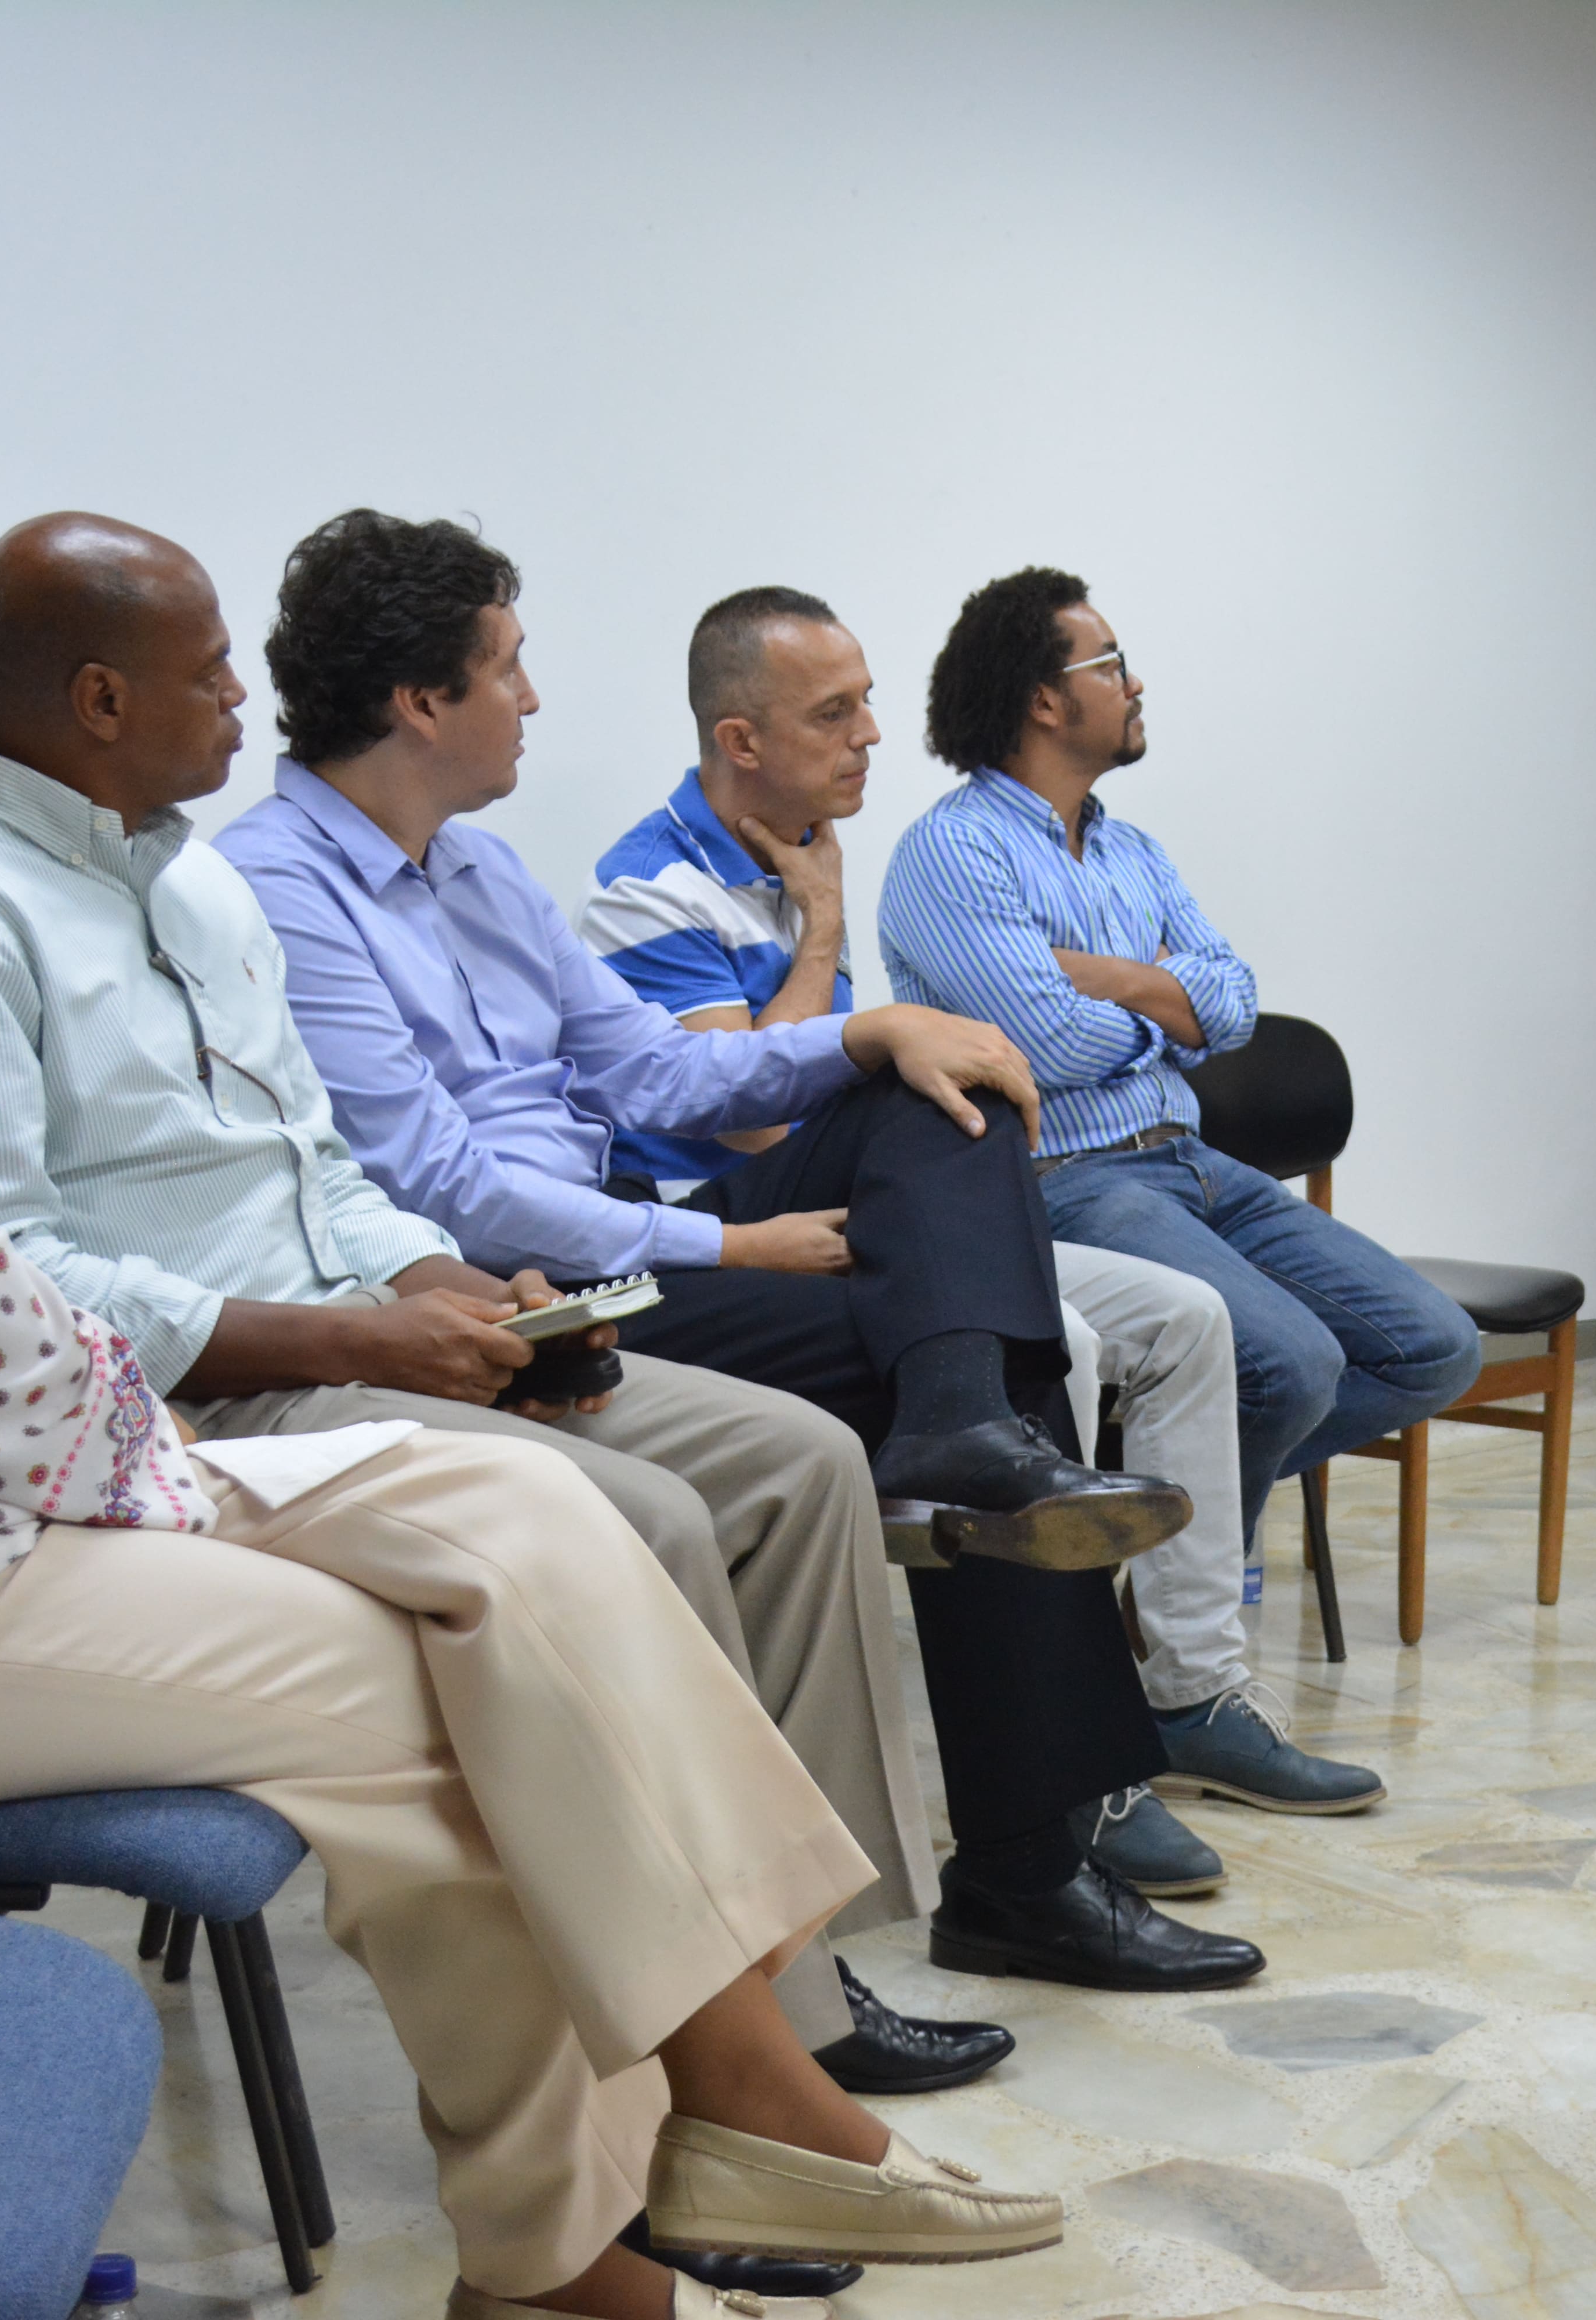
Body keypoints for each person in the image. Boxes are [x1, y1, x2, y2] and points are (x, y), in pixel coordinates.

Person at [0, 463, 1065, 2320]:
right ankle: (645, 2198)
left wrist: (408, 1308)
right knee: (489, 1688)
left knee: (517, 1521)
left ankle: (689, 2145)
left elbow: (238, 1221)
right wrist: (291, 1426)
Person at [219, 512, 1259, 1996]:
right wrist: (734, 1240)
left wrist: (868, 1029)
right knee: (990, 1346)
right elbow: (439, 1185)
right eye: (508, 668)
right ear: (420, 701)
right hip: (500, 1296)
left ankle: (962, 1432)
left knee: (936, 1096)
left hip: (623, 1234)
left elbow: (657, 1070)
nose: (533, 697)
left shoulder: (482, 872)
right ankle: (1027, 1868)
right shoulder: (275, 888)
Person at [579, 583, 1383, 1895]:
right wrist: (829, 940)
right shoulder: (651, 888)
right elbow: (751, 1126)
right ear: (740, 740)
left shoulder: (813, 848)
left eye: (866, 704)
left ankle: (1190, 1691)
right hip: (738, 1229)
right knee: (1037, 1303)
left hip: (887, 1205)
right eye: (835, 714)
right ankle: (1080, 1778)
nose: (872, 735)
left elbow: (1226, 1002)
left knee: (1187, 1322)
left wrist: (1063, 995)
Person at [877, 570, 1482, 1683]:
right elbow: (1046, 1047)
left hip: (1193, 1161)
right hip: (1064, 1176)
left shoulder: (1133, 850)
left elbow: (1235, 1004)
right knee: (1292, 1361)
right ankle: (1181, 1639)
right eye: (1110, 663)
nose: (1136, 682)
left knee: (1435, 1346)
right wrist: (1166, 1007)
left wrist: (1106, 978)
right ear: (1044, 699)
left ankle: (1148, 1526)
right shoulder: (951, 852)